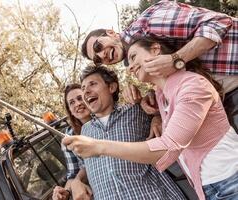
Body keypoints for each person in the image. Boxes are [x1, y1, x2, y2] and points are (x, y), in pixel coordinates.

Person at [63, 38, 238, 200]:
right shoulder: (161, 98)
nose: (130, 67)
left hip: (231, 179)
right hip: (208, 188)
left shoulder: (192, 85)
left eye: (133, 57)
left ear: (155, 49)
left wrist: (99, 146)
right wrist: (155, 114)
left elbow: (168, 147)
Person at [81, 0, 238, 132]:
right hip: (224, 97)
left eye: (97, 46)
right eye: (97, 59)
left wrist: (176, 59)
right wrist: (152, 99)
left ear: (110, 33)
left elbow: (220, 22)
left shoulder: (148, 23)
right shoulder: (135, 60)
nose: (102, 55)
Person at [64, 65, 186, 200]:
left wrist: (156, 116)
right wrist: (76, 182)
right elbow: (84, 166)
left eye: (92, 84)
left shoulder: (136, 110)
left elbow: (165, 105)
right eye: (83, 88)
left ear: (111, 87)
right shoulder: (84, 133)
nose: (86, 92)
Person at [52, 83, 92, 200]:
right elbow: (74, 173)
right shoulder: (68, 136)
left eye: (80, 98)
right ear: (70, 110)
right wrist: (66, 191)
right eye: (72, 102)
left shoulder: (105, 118)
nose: (78, 104)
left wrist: (77, 180)